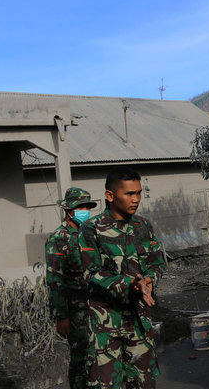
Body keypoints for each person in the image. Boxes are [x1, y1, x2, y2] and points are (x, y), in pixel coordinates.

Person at [79, 166, 165, 389]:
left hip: (138, 320)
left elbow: (156, 262)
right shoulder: (92, 229)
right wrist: (129, 283)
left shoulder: (143, 226)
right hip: (106, 324)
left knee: (143, 382)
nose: (136, 199)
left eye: (138, 193)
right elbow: (91, 272)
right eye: (129, 193)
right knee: (108, 383)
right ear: (110, 195)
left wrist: (149, 280)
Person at [45, 187, 98, 389]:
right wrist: (61, 316)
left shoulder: (90, 234)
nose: (85, 211)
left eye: (87, 207)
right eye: (81, 207)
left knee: (99, 357)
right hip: (76, 311)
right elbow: (55, 279)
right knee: (80, 358)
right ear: (69, 210)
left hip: (96, 306)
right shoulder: (59, 238)